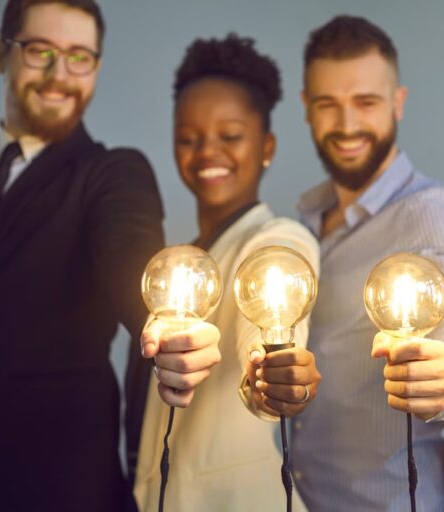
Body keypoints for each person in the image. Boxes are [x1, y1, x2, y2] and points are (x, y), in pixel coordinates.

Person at [0, 1, 220, 510]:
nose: (58, 75)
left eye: (78, 56)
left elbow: (129, 253)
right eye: (40, 51)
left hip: (54, 488)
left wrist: (160, 320)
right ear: (1, 53)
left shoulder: (113, 173)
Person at [289, 15, 444, 511]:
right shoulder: (306, 222)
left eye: (366, 103)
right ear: (306, 108)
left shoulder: (434, 211)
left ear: (398, 103)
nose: (348, 124)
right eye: (328, 105)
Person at [134, 34, 321, 511]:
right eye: (188, 138)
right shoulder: (185, 266)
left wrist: (272, 377)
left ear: (267, 145)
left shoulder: (277, 239)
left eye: (230, 135)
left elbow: (266, 337)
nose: (207, 152)